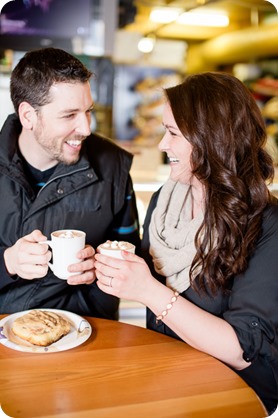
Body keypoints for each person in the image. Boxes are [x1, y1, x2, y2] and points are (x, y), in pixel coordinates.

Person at [95, 72, 278, 414]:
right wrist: (106, 266)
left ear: (212, 140)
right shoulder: (168, 201)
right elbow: (147, 275)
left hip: (236, 394)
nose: (163, 145)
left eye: (173, 133)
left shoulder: (267, 224)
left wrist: (147, 290)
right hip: (170, 376)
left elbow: (242, 349)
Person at [0, 47, 140, 320]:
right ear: (28, 116)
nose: (86, 128)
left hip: (89, 332)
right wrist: (6, 262)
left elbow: (133, 252)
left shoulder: (113, 167)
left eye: (88, 111)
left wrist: (101, 269)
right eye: (69, 115)